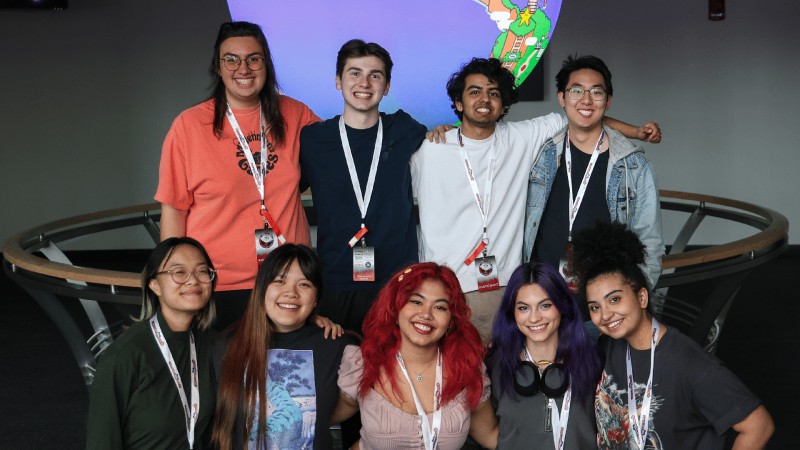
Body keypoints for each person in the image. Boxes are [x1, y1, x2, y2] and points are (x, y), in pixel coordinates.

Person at [411, 57, 661, 342]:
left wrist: (637, 132)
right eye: (474, 91)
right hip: (448, 291)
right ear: (458, 102)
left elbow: (583, 114)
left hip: (513, 289)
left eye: (494, 93)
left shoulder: (523, 137)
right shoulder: (429, 150)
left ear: (504, 104)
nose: (484, 99)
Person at [156, 21, 319, 330]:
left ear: (266, 64)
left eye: (253, 59)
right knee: (224, 375)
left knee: (286, 377)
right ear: (218, 67)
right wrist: (173, 281)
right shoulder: (189, 126)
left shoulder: (297, 115)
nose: (243, 68)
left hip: (288, 285)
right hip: (219, 285)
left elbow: (348, 147)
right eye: (231, 59)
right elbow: (174, 210)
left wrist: (429, 133)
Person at [570, 222, 774, 449]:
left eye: (615, 299)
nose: (605, 314)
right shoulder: (610, 346)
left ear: (642, 298)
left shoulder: (691, 365)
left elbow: (759, 426)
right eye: (594, 307)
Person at [300, 39, 427, 334]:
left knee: (393, 375)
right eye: (354, 73)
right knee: (341, 373)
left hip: (398, 283)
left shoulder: (404, 129)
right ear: (338, 81)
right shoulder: (313, 140)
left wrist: (444, 131)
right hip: (335, 282)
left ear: (387, 85)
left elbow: (443, 150)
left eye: (375, 75)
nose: (364, 83)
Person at [524, 55, 664, 294]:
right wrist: (448, 133)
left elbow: (650, 242)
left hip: (605, 304)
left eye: (596, 92)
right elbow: (487, 133)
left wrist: (634, 298)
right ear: (562, 97)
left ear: (607, 101)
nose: (586, 100)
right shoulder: (541, 152)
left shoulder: (633, 165)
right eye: (576, 91)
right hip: (543, 298)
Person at [332, 262, 498, 449]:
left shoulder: (467, 367)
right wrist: (308, 325)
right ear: (395, 310)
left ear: (451, 321)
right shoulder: (364, 363)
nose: (426, 314)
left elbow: (492, 436)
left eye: (440, 307)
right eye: (416, 302)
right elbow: (311, 417)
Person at [211, 244, 354, 450]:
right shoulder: (223, 346)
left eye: (304, 284)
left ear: (316, 299)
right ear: (261, 289)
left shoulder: (337, 347)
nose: (291, 293)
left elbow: (349, 405)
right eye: (279, 281)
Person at [86, 237, 218, 449]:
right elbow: (101, 442)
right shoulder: (123, 356)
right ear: (155, 285)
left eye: (202, 271)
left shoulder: (212, 345)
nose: (193, 280)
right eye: (179, 272)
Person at [487, 261, 602, 449]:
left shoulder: (595, 360)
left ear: (562, 305)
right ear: (512, 312)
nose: (534, 318)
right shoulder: (494, 365)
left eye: (545, 305)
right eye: (523, 308)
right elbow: (483, 431)